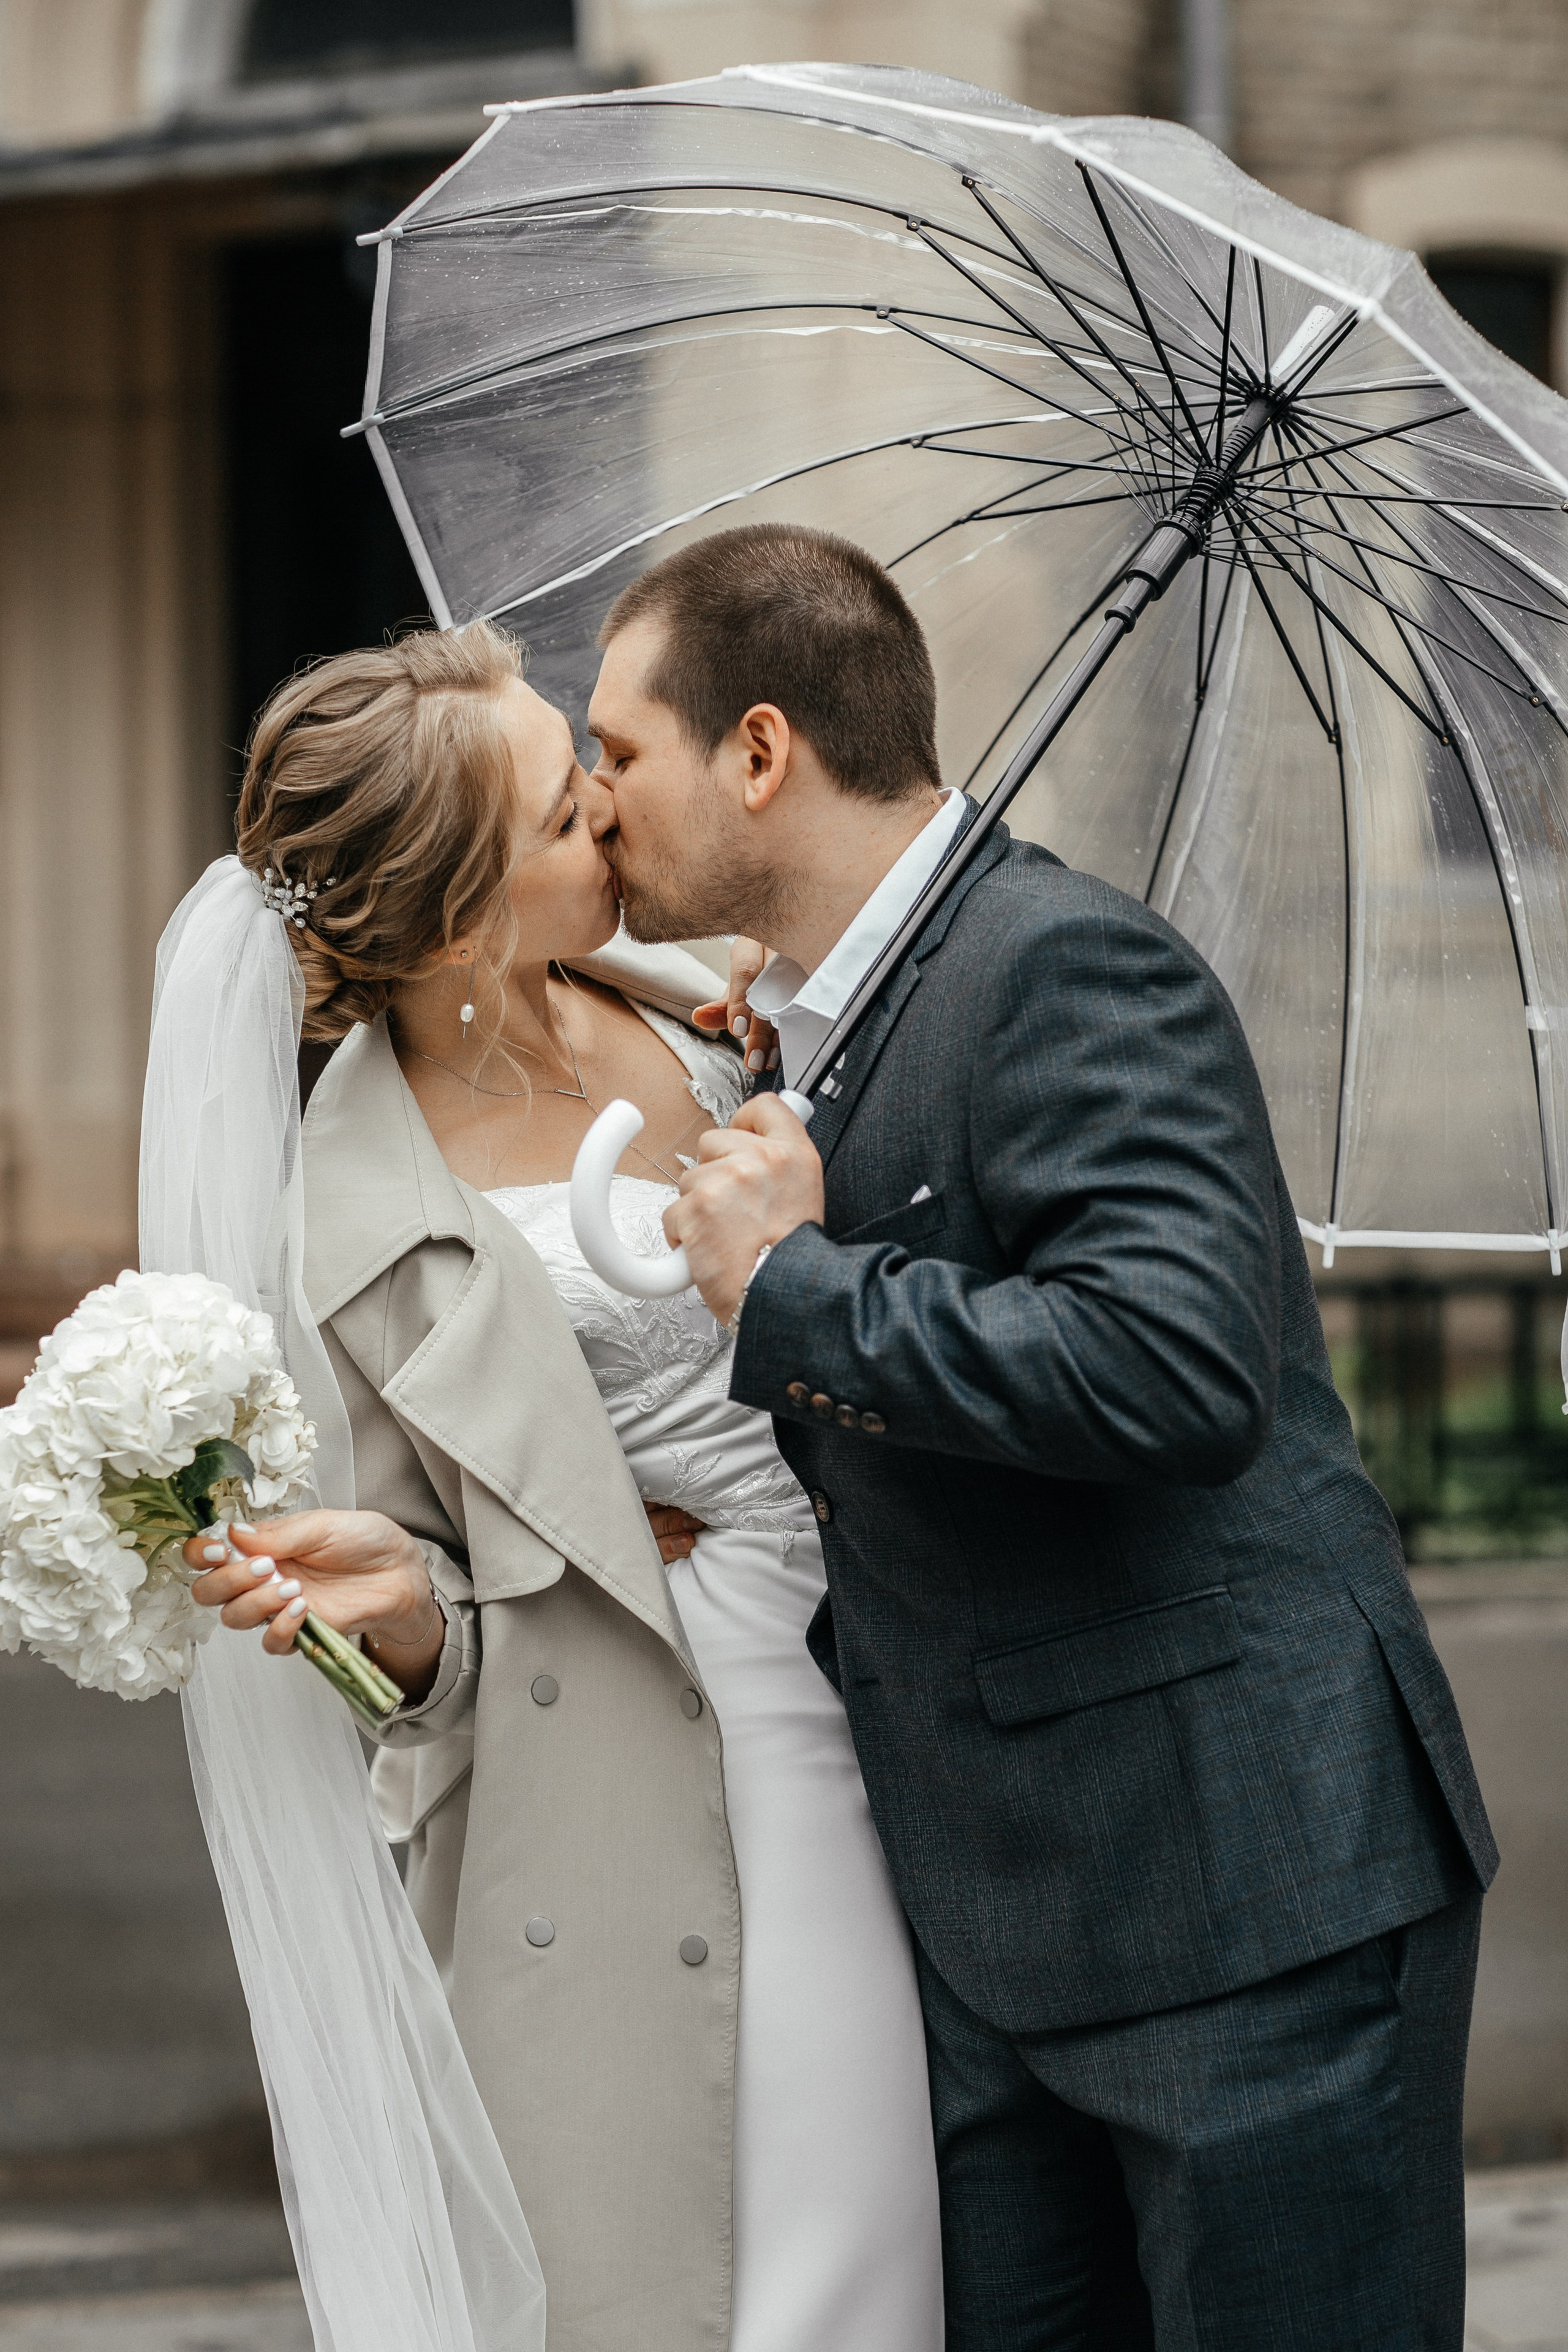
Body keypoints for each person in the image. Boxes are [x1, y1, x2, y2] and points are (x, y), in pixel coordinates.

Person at [587, 521, 1499, 2352]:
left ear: (759, 751)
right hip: (997, 1921)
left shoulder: (1069, 963)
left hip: (1246, 1891)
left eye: (619, 753)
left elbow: (1179, 1368)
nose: (595, 805)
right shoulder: (813, 1030)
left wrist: (793, 1289)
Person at [182, 622, 942, 2352]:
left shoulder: (712, 997)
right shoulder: (339, 1235)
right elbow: (420, 1632)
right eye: (555, 808)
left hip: (904, 1647)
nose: (610, 808)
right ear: (457, 917)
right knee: (800, 2243)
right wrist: (420, 1610)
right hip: (669, 1747)